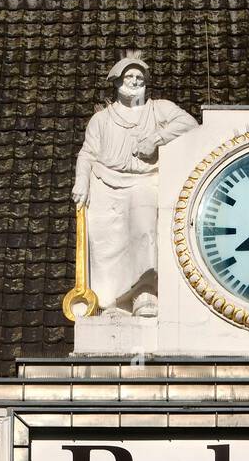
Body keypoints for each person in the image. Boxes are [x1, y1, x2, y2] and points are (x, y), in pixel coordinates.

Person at [72, 51, 197, 315]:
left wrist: (157, 137)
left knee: (144, 231)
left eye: (140, 77)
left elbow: (189, 124)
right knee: (106, 243)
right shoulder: (101, 120)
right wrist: (81, 181)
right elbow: (87, 154)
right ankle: (112, 302)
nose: (135, 81)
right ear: (117, 81)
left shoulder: (159, 109)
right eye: (129, 76)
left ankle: (144, 293)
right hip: (106, 183)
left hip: (145, 180)